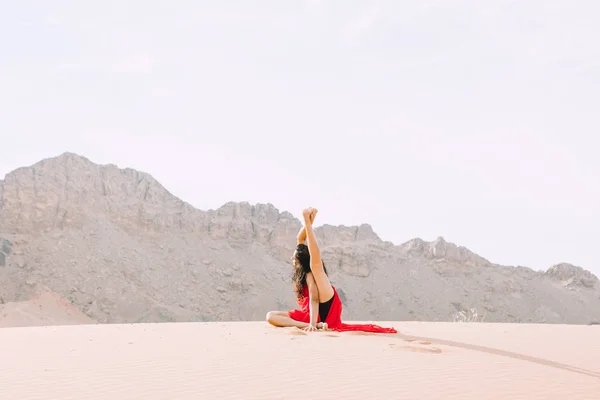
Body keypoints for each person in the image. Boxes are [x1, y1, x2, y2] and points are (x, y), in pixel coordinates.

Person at [266, 207, 397, 334]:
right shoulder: (301, 270)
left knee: (317, 267)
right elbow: (300, 238)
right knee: (270, 316)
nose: (291, 257)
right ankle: (317, 325)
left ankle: (314, 324)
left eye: (294, 256)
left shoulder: (309, 274)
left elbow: (314, 299)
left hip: (324, 306)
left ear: (301, 261)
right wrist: (310, 220)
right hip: (310, 315)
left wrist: (307, 220)